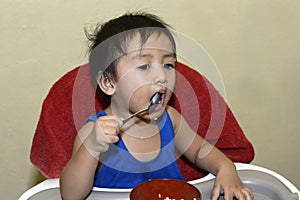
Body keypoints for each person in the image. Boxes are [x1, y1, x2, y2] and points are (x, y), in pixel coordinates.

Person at [60, 12, 253, 200]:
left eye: (168, 65)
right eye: (144, 66)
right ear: (109, 83)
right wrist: (92, 147)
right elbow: (70, 195)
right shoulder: (93, 133)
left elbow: (200, 151)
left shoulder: (172, 119)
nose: (162, 76)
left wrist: (226, 168)